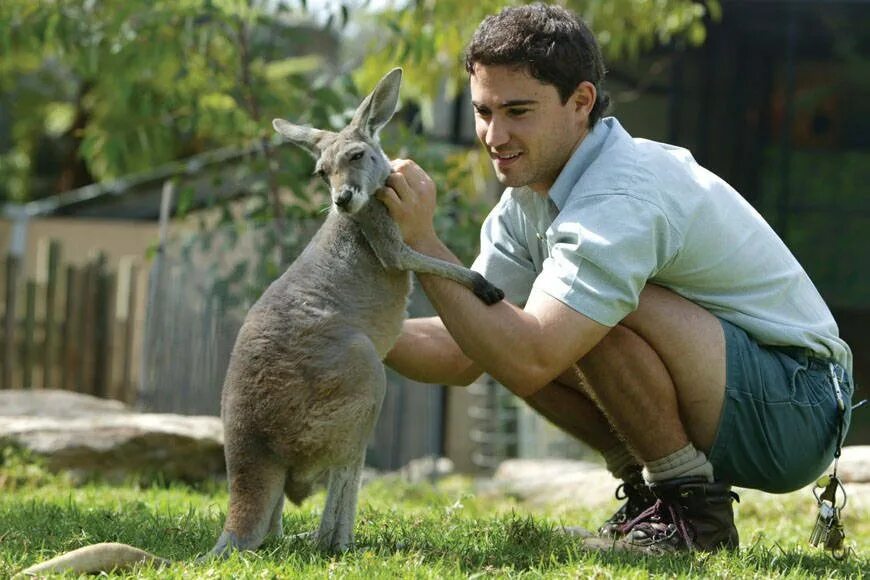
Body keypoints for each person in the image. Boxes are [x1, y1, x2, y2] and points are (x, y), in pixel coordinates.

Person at [376, 2, 854, 553]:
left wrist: (423, 244)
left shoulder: (619, 194)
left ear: (580, 102)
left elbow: (531, 354)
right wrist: (347, 329)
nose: (494, 135)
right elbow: (466, 351)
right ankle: (656, 501)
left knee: (563, 317)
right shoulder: (523, 205)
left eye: (518, 111)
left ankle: (693, 520)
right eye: (484, 112)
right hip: (737, 389)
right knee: (517, 319)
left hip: (800, 404)